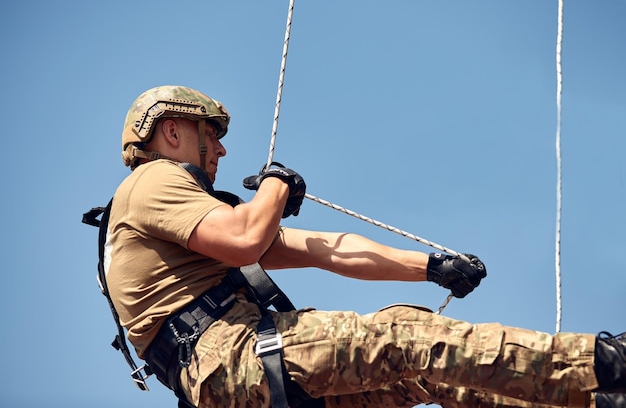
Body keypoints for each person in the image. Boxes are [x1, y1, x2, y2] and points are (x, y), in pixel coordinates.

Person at [104, 85, 625, 408]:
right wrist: (276, 185)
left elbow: (328, 248)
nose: (219, 148)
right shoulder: (153, 183)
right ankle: (607, 363)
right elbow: (246, 238)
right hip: (232, 362)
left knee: (430, 374)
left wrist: (432, 267)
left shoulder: (189, 220)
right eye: (208, 133)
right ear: (171, 132)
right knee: (406, 334)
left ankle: (592, 401)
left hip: (244, 377)